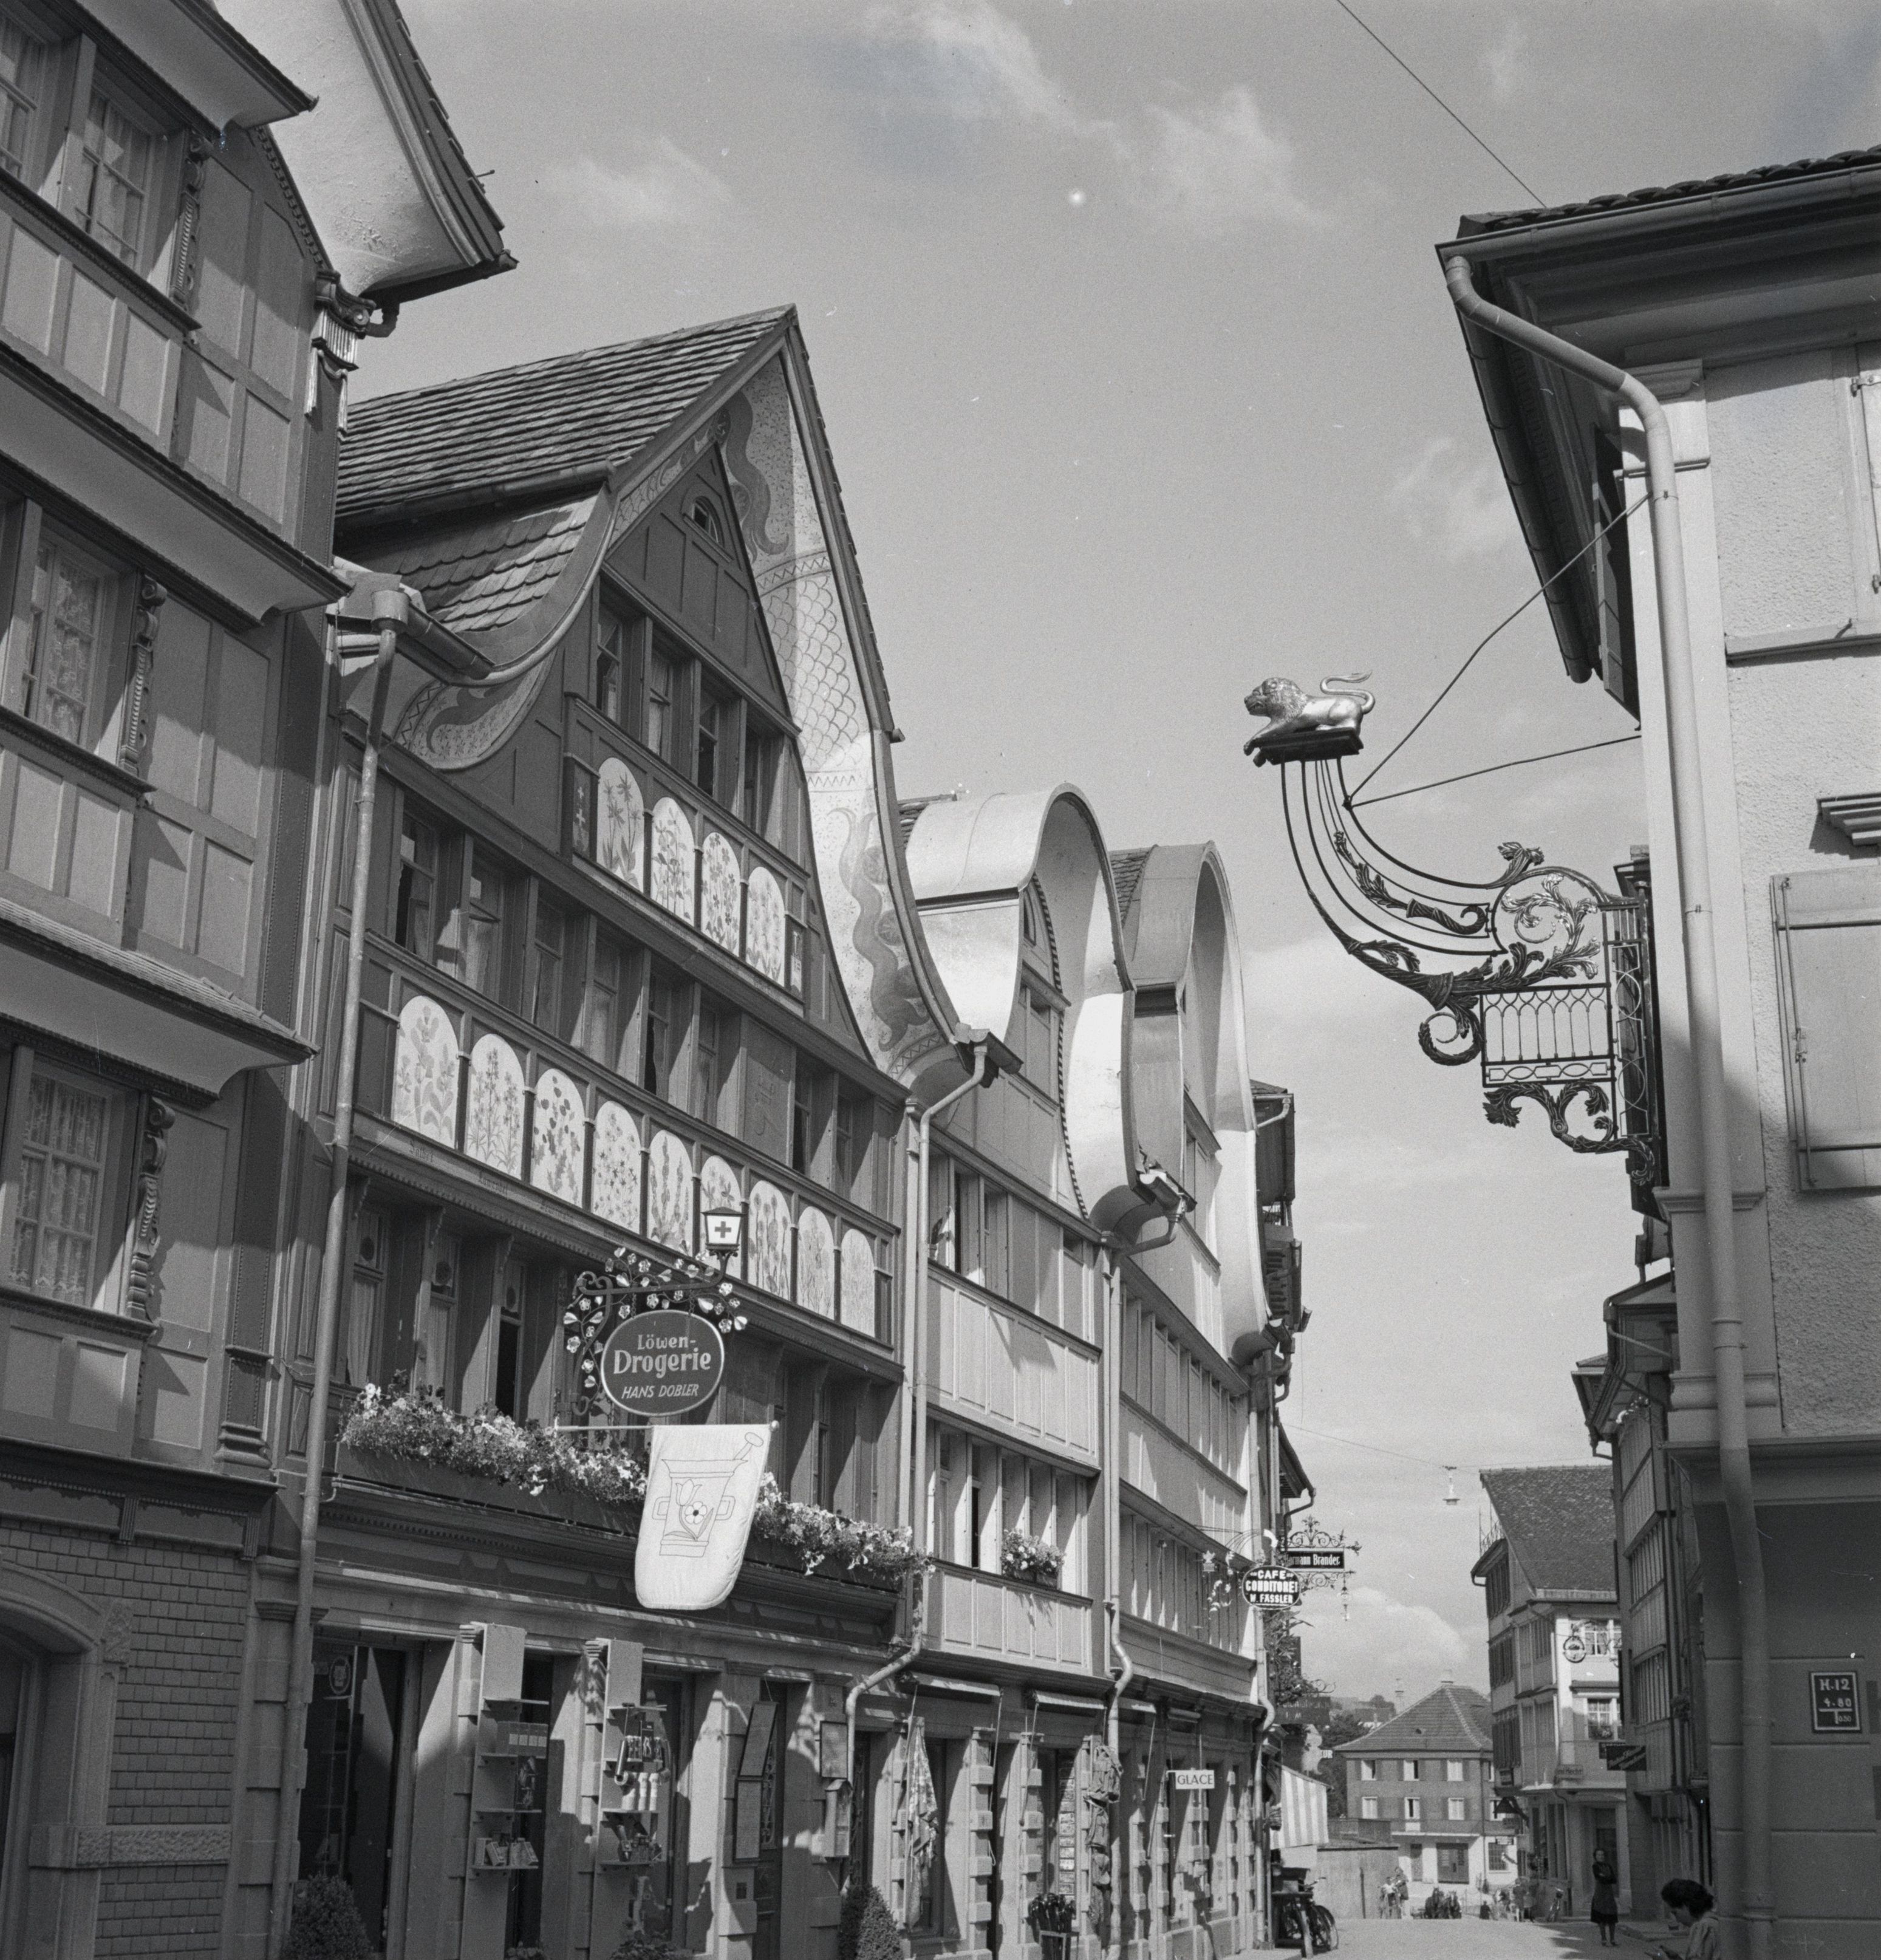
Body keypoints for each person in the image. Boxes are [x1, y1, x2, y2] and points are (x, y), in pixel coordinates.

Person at [1650, 1878, 1721, 1960]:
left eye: (1675, 1913)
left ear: (1686, 1905)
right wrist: (1676, 1958)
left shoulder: (1703, 1926)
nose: (1678, 1920)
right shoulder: (1715, 1922)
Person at [1590, 1852, 1620, 1947]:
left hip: (1609, 1894)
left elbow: (1614, 1880)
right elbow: (1599, 1878)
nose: (1601, 1857)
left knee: (1612, 1917)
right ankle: (1604, 1939)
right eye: (1599, 1855)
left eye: (1602, 1855)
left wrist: (1606, 1877)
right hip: (1600, 1894)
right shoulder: (1595, 1866)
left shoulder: (1609, 1866)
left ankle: (1613, 1939)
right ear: (1596, 1857)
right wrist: (1607, 1877)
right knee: (1601, 1917)